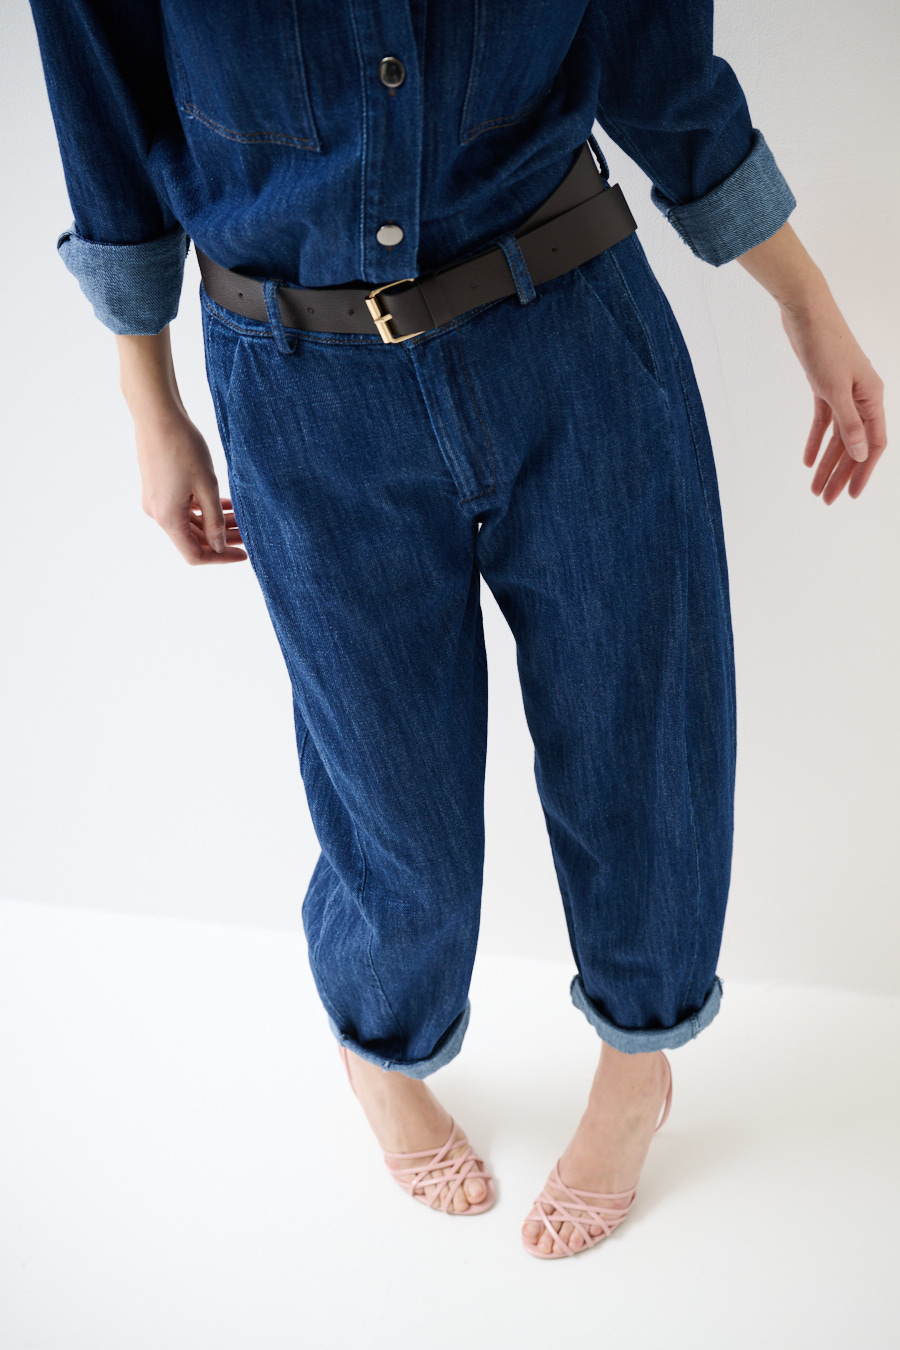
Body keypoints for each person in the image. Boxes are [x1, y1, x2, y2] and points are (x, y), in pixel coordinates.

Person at [28, 0, 886, 1260]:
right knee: (395, 810)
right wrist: (147, 400)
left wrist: (803, 297)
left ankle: (637, 1070)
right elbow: (105, 95)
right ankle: (381, 1049)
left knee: (645, 753)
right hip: (300, 391)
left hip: (575, 338)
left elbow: (656, 60)